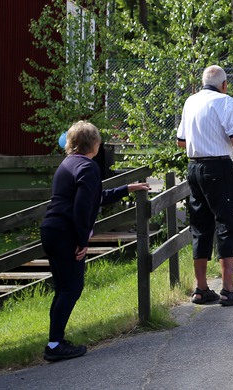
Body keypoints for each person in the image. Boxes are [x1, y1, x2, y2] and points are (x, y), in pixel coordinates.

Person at [41, 120, 150, 362]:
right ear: (95, 144)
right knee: (71, 288)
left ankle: (55, 340)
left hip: (51, 229)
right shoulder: (89, 167)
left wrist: (126, 188)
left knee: (63, 289)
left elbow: (94, 196)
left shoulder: (68, 164)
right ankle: (55, 345)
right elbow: (82, 207)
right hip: (66, 233)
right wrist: (82, 240)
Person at [176, 65, 233, 307]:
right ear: (224, 84)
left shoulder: (190, 101)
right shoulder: (225, 101)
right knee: (228, 222)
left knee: (200, 224)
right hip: (218, 166)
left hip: (194, 167)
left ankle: (201, 288)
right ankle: (228, 289)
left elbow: (181, 142)